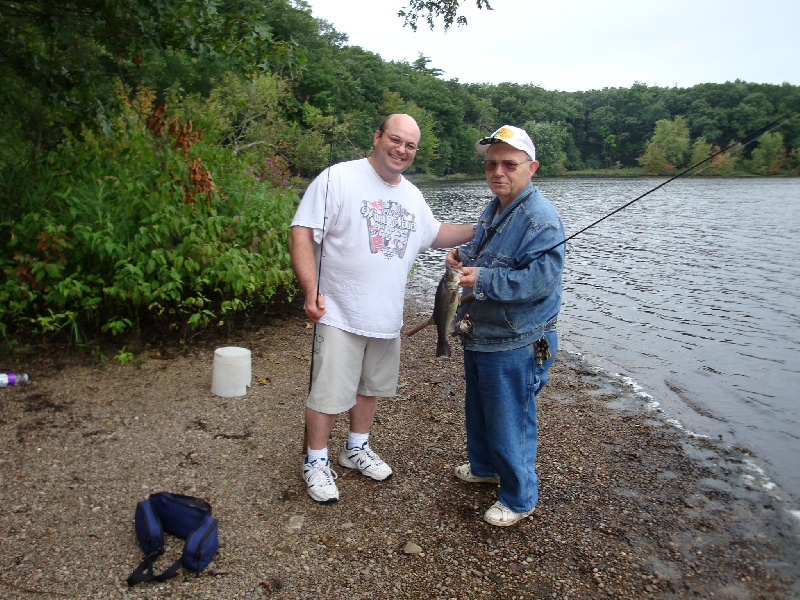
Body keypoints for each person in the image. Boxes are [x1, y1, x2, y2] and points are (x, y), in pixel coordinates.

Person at [289, 114, 475, 503]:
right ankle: (316, 460)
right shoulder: (337, 178)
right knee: (328, 392)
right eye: (395, 139)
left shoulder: (411, 194)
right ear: (377, 137)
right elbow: (302, 232)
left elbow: (436, 232)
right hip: (338, 310)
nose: (401, 150)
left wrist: (485, 225)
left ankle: (355, 448)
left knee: (369, 388)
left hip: (386, 316)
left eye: (410, 145)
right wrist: (310, 291)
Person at [446, 125, 565, 526]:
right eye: (492, 164)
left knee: (509, 418)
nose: (499, 172)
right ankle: (485, 467)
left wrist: (480, 279)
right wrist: (464, 255)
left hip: (518, 339)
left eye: (509, 165)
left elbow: (538, 282)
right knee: (480, 410)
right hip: (481, 332)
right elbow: (486, 251)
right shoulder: (494, 207)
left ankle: (518, 497)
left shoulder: (542, 221)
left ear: (531, 168)